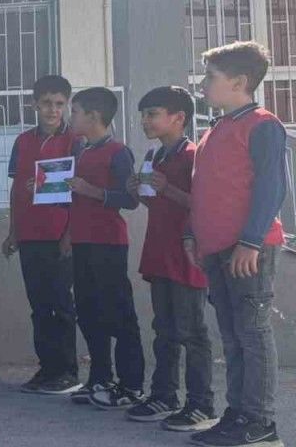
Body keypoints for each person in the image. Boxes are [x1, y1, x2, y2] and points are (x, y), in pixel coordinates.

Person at [186, 42, 286, 447]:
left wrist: (250, 241)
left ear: (240, 82)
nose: (203, 84)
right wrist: (193, 235)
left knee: (252, 333)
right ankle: (238, 413)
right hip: (216, 250)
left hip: (247, 251)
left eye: (211, 77)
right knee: (232, 337)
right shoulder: (215, 129)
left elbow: (272, 186)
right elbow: (203, 190)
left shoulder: (262, 124)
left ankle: (260, 421)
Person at [123, 86, 216, 432]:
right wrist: (140, 193)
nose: (145, 121)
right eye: (143, 115)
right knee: (164, 330)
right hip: (159, 253)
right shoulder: (155, 156)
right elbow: (160, 204)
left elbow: (203, 205)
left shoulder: (195, 155)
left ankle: (201, 404)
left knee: (192, 332)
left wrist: (166, 189)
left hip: (188, 256)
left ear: (178, 118)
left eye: (152, 114)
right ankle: (164, 395)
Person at [3, 75, 83, 396]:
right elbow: (15, 189)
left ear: (67, 105)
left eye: (60, 104)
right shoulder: (22, 141)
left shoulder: (76, 140)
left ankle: (68, 371)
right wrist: (13, 231)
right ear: (34, 104)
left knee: (62, 304)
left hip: (60, 234)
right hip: (29, 235)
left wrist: (70, 234)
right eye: (47, 103)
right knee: (39, 306)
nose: (53, 110)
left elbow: (80, 193)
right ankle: (47, 368)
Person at [65, 87, 144, 410]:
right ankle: (100, 378)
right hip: (81, 242)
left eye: (74, 112)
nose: (70, 118)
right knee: (87, 311)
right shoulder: (80, 150)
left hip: (108, 243)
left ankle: (132, 385)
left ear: (93, 116)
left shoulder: (118, 152)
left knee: (119, 313)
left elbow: (131, 200)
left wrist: (93, 191)